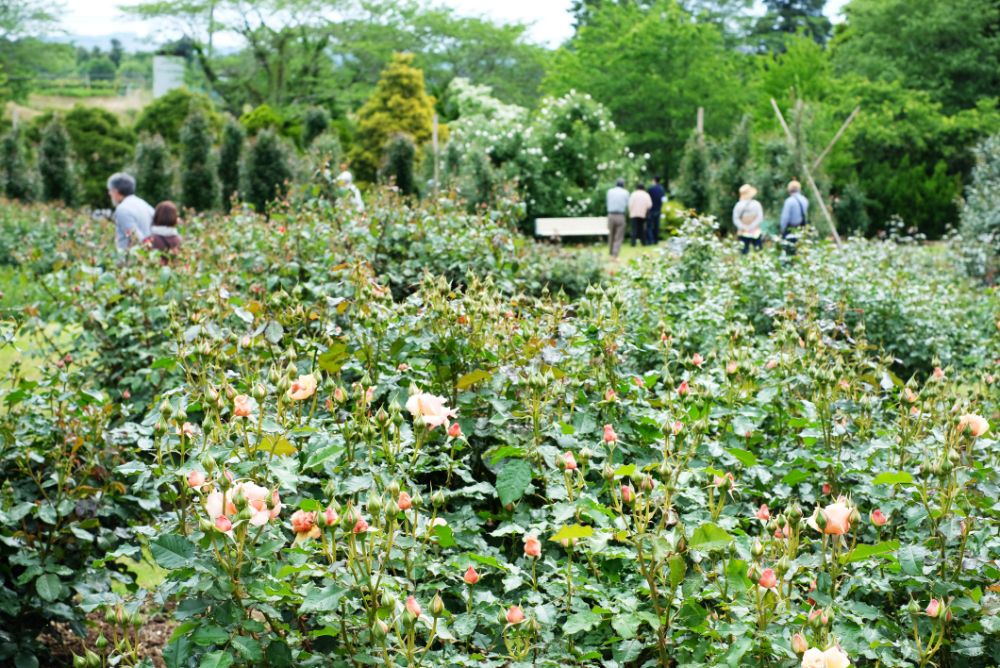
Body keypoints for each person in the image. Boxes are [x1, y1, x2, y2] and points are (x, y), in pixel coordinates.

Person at [107, 172, 153, 251]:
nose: (109, 193)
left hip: (132, 259)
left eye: (110, 190)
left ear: (116, 191)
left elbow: (136, 238)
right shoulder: (145, 205)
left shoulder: (123, 209)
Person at [732, 184, 764, 254]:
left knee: (743, 252)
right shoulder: (756, 204)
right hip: (755, 231)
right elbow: (760, 217)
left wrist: (744, 227)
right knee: (758, 251)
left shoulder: (738, 205)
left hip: (743, 231)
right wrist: (752, 226)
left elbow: (735, 219)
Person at [780, 179, 809, 252]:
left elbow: (785, 217)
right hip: (801, 228)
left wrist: (782, 230)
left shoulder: (789, 201)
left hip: (790, 229)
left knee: (788, 250)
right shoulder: (804, 200)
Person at [605, 177, 629, 258]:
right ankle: (615, 254)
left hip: (611, 215)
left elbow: (607, 202)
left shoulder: (610, 191)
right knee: (619, 236)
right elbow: (627, 204)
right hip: (620, 215)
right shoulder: (625, 192)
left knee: (611, 234)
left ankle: (611, 252)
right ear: (623, 185)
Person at [628, 182, 652, 247]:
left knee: (634, 229)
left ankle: (633, 243)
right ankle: (643, 242)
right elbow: (649, 205)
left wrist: (630, 211)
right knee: (642, 229)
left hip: (634, 214)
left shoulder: (633, 194)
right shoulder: (646, 195)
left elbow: (630, 204)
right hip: (642, 214)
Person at [646, 175, 666, 245]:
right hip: (658, 209)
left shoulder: (650, 189)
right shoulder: (662, 189)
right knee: (656, 226)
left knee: (650, 226)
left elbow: (647, 199)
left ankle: (650, 240)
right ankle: (656, 240)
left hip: (651, 210)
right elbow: (663, 200)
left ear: (654, 180)